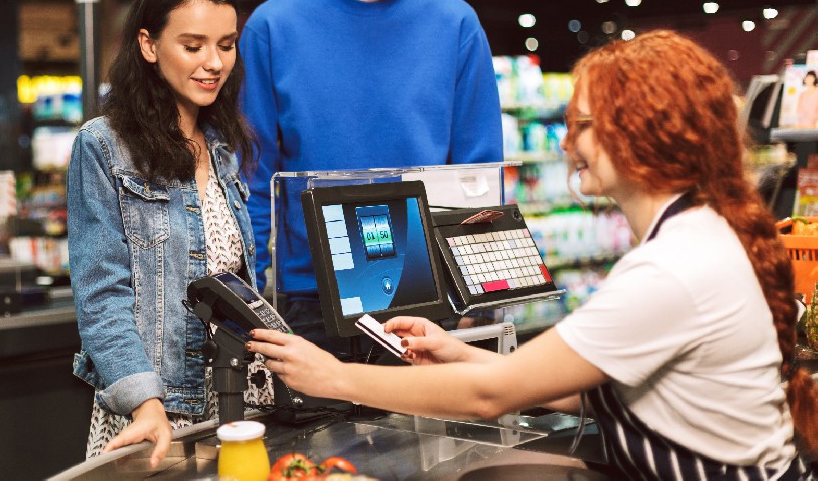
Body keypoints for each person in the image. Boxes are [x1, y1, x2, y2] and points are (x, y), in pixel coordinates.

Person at [249, 30, 818, 479]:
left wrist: (333, 376)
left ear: (645, 135)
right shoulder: (697, 236)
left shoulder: (671, 270)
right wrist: (457, 352)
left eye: (584, 126)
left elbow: (490, 398)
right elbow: (591, 387)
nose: (568, 143)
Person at [240, 0, 503, 339]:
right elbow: (254, 177)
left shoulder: (455, 23)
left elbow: (479, 172)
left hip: (429, 297)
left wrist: (480, 287)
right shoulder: (275, 26)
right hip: (306, 301)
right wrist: (250, 298)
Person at [67, 0, 269, 466]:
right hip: (156, 411)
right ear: (148, 44)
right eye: (193, 45)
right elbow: (101, 296)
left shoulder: (221, 147)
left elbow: (242, 285)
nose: (215, 62)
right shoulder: (103, 146)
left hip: (238, 402)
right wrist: (145, 401)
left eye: (226, 44)